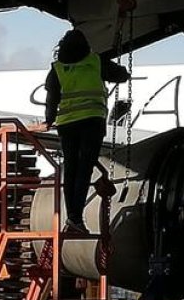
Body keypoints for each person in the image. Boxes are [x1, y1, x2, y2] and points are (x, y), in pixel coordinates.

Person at [40, 28, 129, 233]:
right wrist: (124, 71)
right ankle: (75, 217)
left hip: (67, 125)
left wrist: (49, 120)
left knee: (70, 170)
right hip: (91, 123)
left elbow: (51, 98)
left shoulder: (58, 68)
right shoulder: (94, 62)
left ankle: (73, 217)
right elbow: (121, 76)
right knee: (84, 169)